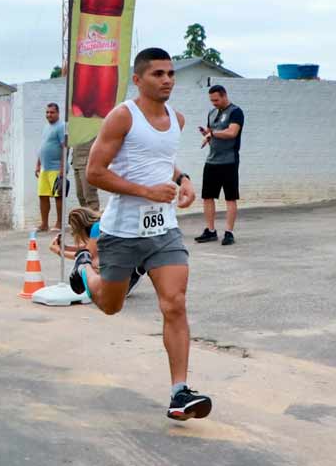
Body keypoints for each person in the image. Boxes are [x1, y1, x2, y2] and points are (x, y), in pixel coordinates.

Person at [71, 47, 211, 421]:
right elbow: (95, 173)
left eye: (170, 74)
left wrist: (182, 180)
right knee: (110, 304)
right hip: (122, 232)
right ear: (138, 79)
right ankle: (85, 267)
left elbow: (161, 161)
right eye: (158, 74)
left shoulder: (176, 119)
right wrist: (147, 191)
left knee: (174, 302)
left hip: (163, 230)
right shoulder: (122, 118)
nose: (167, 80)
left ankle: (179, 393)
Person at [196, 85, 244, 246]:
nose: (214, 103)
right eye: (211, 100)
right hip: (212, 161)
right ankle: (210, 231)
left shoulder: (236, 112)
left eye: (216, 100)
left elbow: (232, 133)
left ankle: (229, 232)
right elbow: (211, 132)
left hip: (229, 161)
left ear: (224, 96)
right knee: (207, 196)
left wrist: (213, 134)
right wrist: (206, 136)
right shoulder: (212, 113)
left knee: (230, 197)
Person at [35, 103, 66, 232]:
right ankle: (44, 224)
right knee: (43, 195)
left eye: (52, 112)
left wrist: (62, 168)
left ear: (58, 113)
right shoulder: (46, 126)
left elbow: (65, 147)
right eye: (47, 112)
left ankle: (59, 223)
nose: (49, 115)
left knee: (58, 195)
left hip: (56, 168)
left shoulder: (61, 127)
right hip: (44, 169)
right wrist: (38, 164)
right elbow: (43, 146)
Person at [72, 138, 100, 211]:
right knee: (80, 195)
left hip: (88, 161)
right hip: (76, 161)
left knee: (89, 195)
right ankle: (86, 219)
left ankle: (95, 219)